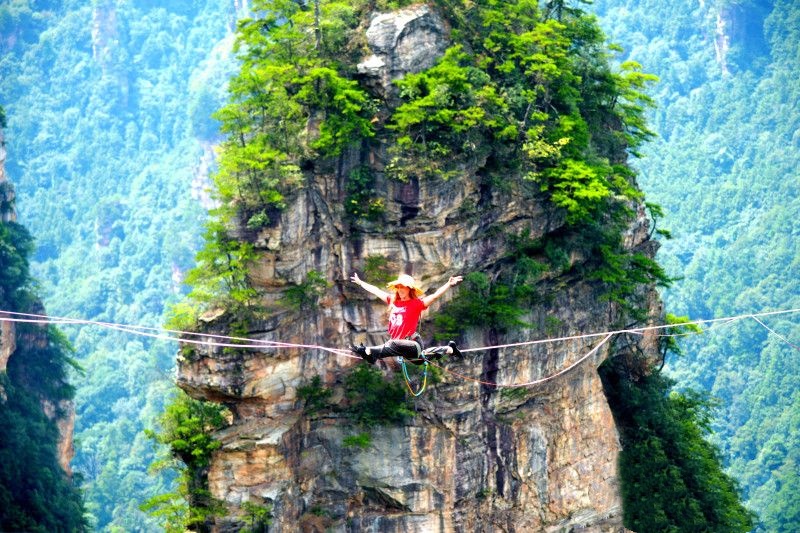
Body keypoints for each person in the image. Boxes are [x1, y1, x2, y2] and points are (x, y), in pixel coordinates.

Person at [349, 272, 463, 364]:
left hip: (412, 343)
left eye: (403, 286)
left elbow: (434, 296)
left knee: (392, 344)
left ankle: (369, 352)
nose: (400, 289)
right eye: (398, 287)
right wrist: (360, 283)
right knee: (418, 360)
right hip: (398, 346)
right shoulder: (393, 301)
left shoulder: (416, 303)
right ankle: (450, 349)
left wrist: (448, 284)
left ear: (409, 289)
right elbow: (376, 291)